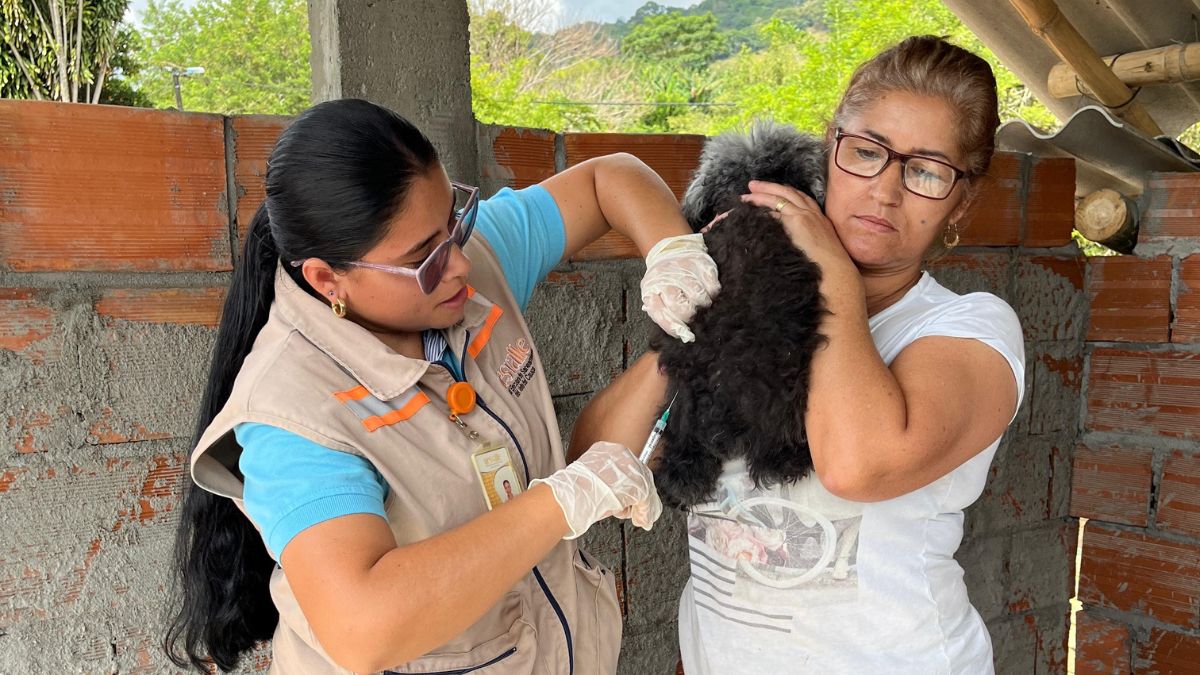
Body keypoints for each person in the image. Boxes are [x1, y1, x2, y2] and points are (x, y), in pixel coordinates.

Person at [163, 98, 720, 674]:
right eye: (422, 258)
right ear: (328, 279)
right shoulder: (293, 414)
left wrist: (672, 251)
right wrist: (558, 502)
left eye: (455, 221)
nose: (456, 264)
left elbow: (610, 177)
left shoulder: (463, 265)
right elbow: (362, 627)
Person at [571, 36, 1025, 674]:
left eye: (925, 171)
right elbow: (590, 461)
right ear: (830, 150)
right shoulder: (753, 313)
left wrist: (831, 274)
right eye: (866, 153)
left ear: (961, 199)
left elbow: (856, 467)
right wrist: (699, 319)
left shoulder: (970, 329)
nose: (885, 192)